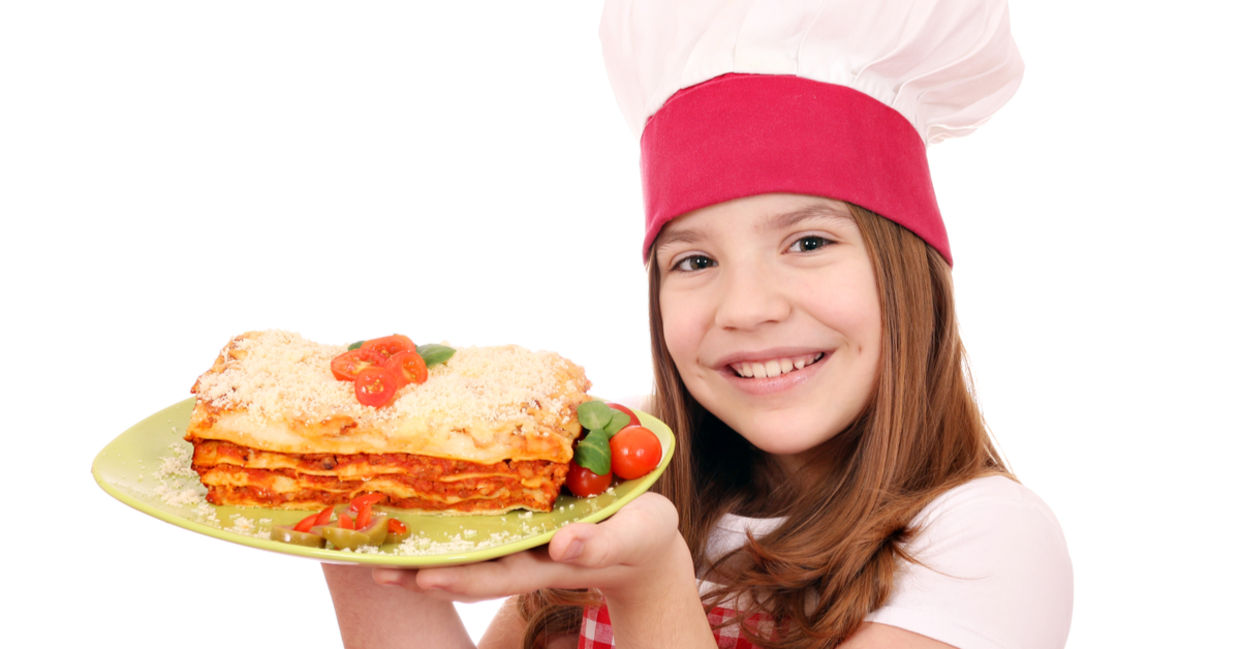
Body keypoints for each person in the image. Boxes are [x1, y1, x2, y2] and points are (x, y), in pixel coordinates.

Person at [322, 0, 1073, 647]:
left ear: (912, 269)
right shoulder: (607, 476)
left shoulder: (988, 543)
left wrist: (650, 581)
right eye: (693, 261)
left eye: (808, 242)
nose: (747, 307)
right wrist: (352, 513)